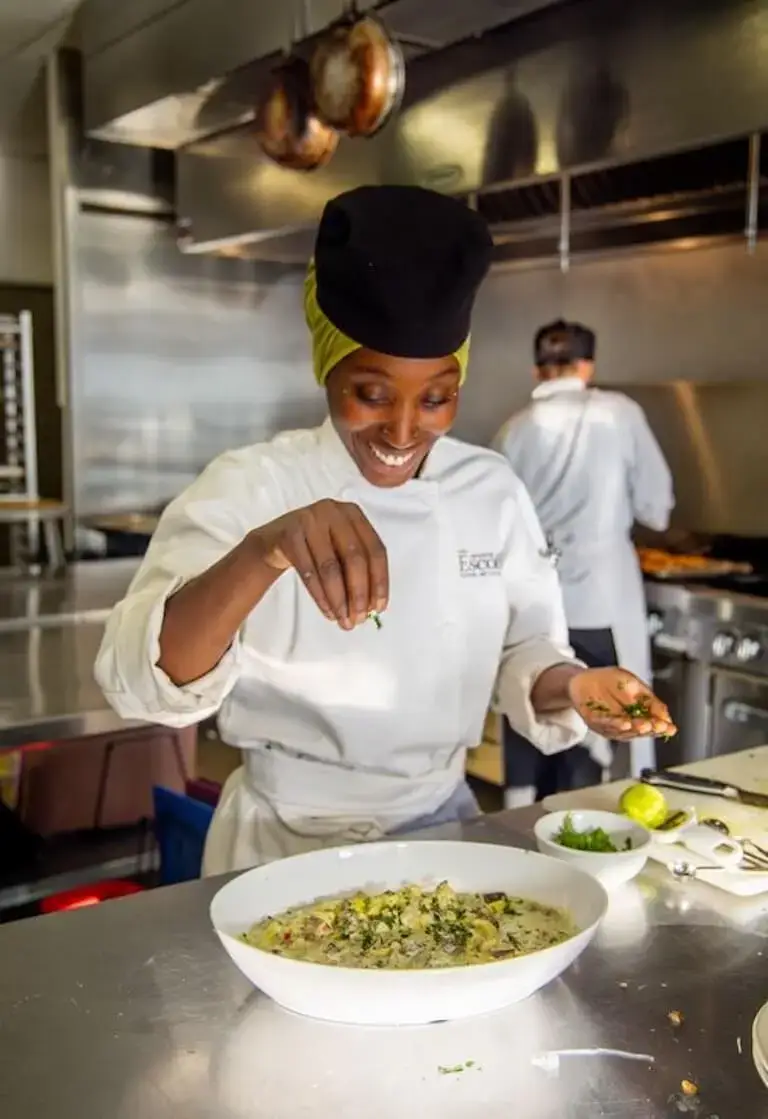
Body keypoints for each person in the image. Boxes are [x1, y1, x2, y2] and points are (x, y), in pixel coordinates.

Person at [95, 191, 675, 875]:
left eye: (436, 398)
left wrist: (574, 687)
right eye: (371, 393)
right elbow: (141, 680)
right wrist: (266, 550)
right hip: (280, 843)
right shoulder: (251, 486)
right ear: (326, 366)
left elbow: (526, 649)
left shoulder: (490, 489)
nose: (403, 432)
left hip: (443, 835)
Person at [494, 318, 674, 802]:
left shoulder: (513, 428)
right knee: (598, 709)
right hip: (599, 598)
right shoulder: (619, 413)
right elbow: (657, 507)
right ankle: (578, 820)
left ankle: (517, 816)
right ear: (587, 365)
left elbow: (496, 517)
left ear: (538, 371)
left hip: (530, 594)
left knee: (528, 694)